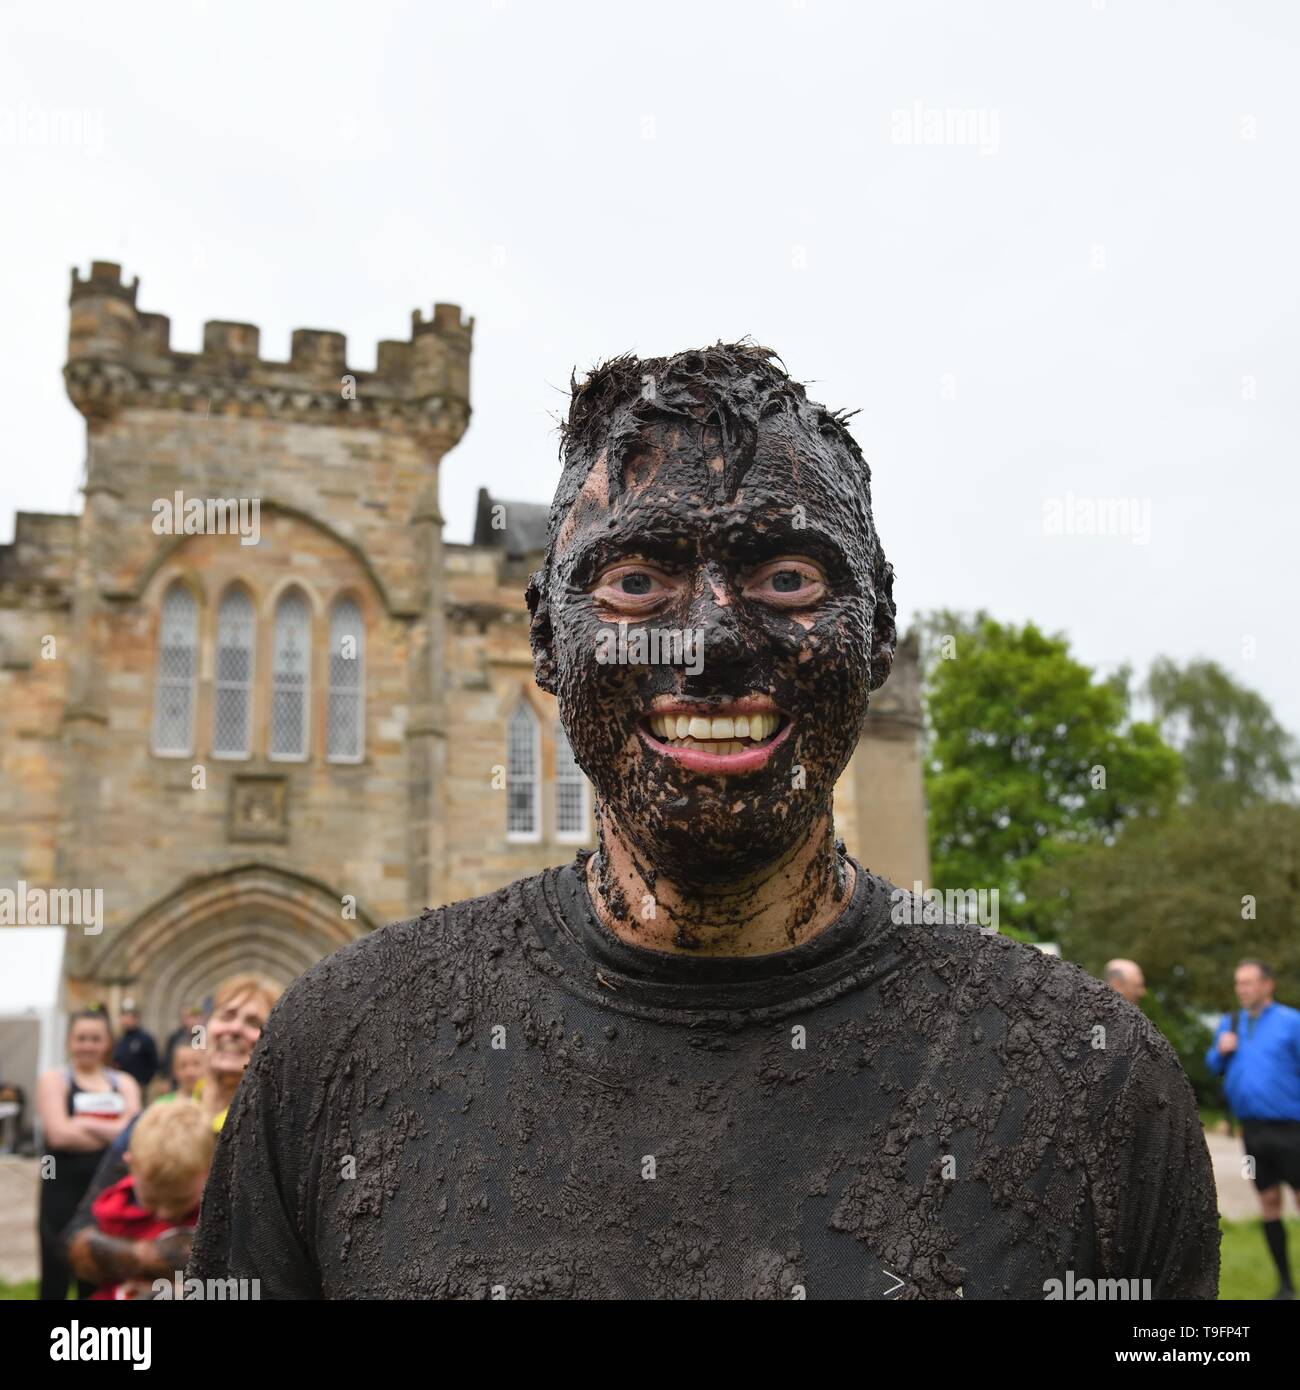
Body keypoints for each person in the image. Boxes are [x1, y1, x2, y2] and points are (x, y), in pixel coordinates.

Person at [189, 342, 1219, 1299]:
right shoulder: (339, 1053)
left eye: (787, 578)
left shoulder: (1088, 1082)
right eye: (638, 581)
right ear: (548, 636)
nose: (715, 640)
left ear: (879, 636)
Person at [63, 974, 278, 1293]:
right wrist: (155, 1253)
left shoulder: (276, 1136)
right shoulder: (155, 1121)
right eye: (227, 1016)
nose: (234, 1028)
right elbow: (78, 1239)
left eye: (252, 1022)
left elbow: (274, 1258)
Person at [1206, 959, 1300, 1299]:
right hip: (1252, 1131)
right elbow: (1211, 1065)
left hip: (1293, 1128)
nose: (1241, 990)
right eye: (1237, 983)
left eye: (1247, 983)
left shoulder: (1292, 1022)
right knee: (1268, 1199)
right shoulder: (1230, 1023)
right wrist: (1220, 1050)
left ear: (1267, 985)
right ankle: (1286, 1284)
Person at [35, 1009, 141, 1299]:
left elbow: (133, 1133)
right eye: (81, 1038)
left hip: (109, 1194)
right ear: (70, 1041)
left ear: (107, 1042)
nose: (87, 1045)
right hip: (61, 1192)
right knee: (55, 1276)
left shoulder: (124, 1083)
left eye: (95, 1038)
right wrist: (112, 1131)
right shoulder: (54, 1080)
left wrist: (82, 1123)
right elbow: (58, 1135)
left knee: (98, 1275)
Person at [88, 1099, 214, 1299]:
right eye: (152, 1200)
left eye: (178, 1200)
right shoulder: (113, 1211)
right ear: (130, 1166)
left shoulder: (219, 1215)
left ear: (209, 1171)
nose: (165, 1213)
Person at [111, 1003, 160, 1091]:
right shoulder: (120, 1039)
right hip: (120, 1084)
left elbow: (153, 1062)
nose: (126, 1020)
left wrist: (145, 1081)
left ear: (136, 1018)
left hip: (138, 1085)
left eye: (129, 1016)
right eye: (124, 1016)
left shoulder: (145, 1039)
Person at [161, 1005, 203, 1088]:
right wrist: (165, 1079)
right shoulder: (175, 1037)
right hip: (177, 1082)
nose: (191, 1021)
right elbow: (168, 1059)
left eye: (194, 1017)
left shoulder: (205, 1037)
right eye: (188, 1017)